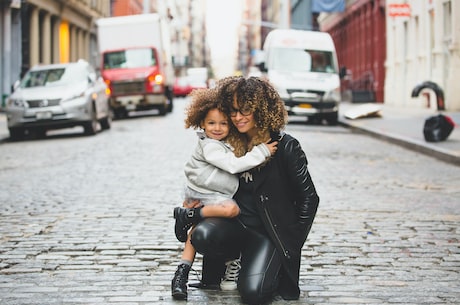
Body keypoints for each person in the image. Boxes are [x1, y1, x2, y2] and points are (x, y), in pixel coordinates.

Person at [188, 76, 320, 305]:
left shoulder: (286, 146)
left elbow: (309, 197)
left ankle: (267, 264)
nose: (237, 117)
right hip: (235, 226)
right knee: (202, 235)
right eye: (234, 111)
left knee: (254, 294)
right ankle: (235, 262)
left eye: (245, 110)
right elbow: (205, 174)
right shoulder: (229, 142)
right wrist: (197, 200)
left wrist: (291, 242)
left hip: (267, 233)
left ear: (261, 109)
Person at [171, 87, 278, 300]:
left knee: (194, 233)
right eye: (212, 123)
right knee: (231, 209)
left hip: (206, 192)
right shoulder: (210, 146)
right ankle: (190, 217)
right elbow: (232, 165)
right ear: (202, 123)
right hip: (208, 193)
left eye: (223, 123)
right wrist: (262, 152)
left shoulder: (222, 143)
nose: (218, 128)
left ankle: (181, 273)